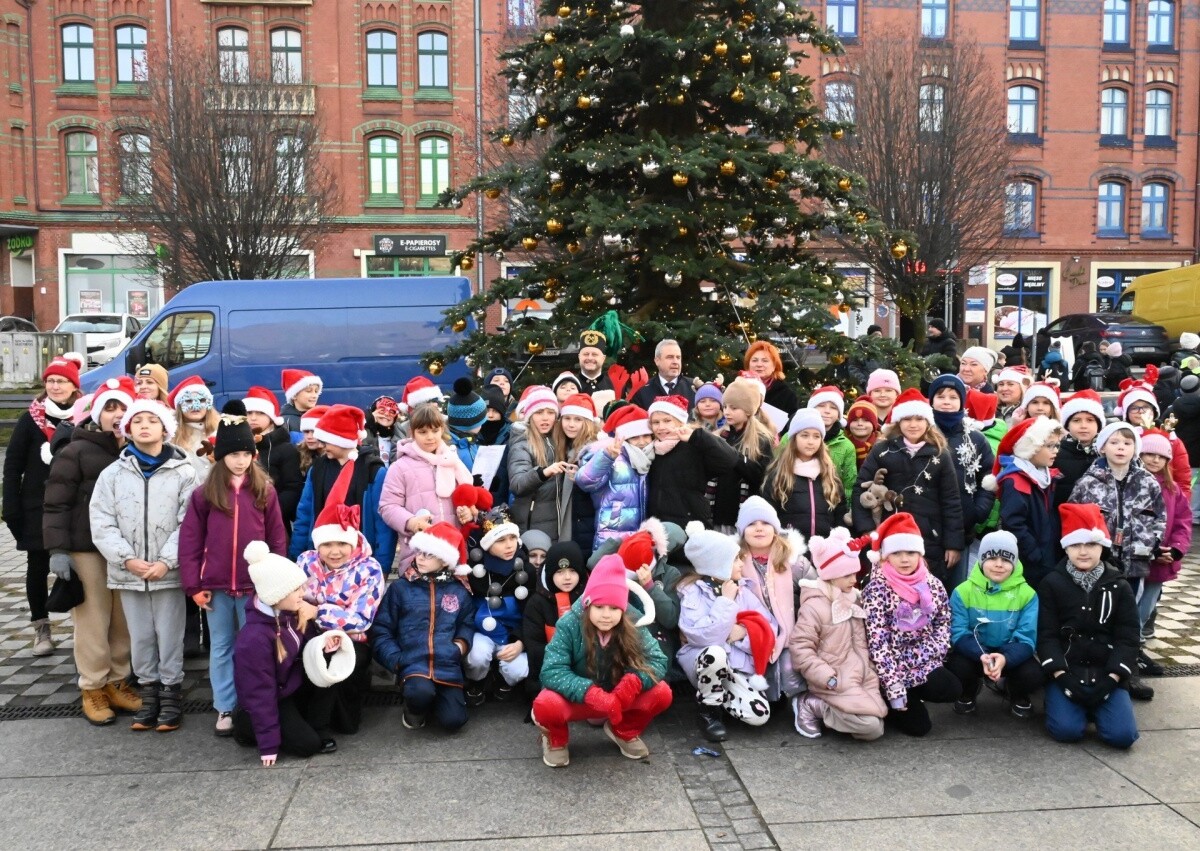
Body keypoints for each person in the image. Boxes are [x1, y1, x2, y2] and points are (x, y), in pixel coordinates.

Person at [90, 396, 199, 732]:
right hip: (130, 571)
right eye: (137, 422)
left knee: (169, 633)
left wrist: (167, 561)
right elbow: (102, 520)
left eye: (151, 420)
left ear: (164, 428)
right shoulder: (112, 474)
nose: (144, 426)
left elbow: (190, 522)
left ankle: (170, 693)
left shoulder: (184, 472)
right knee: (139, 636)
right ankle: (148, 691)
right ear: (128, 429)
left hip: (168, 571)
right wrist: (127, 559)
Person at [178, 407, 287, 736]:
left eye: (246, 454)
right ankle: (225, 706)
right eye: (233, 454)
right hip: (217, 587)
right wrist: (193, 585)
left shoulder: (264, 491)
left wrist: (277, 584)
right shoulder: (204, 494)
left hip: (256, 588)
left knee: (253, 645)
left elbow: (278, 538)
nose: (240, 461)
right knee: (222, 646)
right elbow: (191, 542)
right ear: (220, 455)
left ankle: (254, 702)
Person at [43, 376, 140, 725]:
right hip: (86, 550)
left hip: (126, 550)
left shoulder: (137, 451)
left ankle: (117, 680)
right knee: (93, 620)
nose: (117, 415)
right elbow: (55, 504)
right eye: (110, 408)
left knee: (123, 620)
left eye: (124, 408)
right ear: (97, 413)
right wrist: (57, 549)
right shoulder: (76, 450)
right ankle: (93, 686)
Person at [532, 554, 672, 767]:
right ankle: (555, 738)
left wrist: (633, 682)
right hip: (578, 698)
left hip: (619, 697)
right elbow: (551, 671)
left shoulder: (633, 623)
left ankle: (624, 730)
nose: (606, 615)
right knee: (545, 704)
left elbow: (658, 660)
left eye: (614, 608)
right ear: (588, 605)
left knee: (662, 693)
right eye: (599, 607)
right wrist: (589, 692)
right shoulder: (569, 623)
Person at [1068, 422, 1164, 702]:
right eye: (1114, 442)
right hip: (1100, 564)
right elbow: (1075, 519)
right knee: (1098, 615)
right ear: (1103, 446)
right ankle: (1095, 667)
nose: (1121, 447)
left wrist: (1153, 543)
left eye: (1127, 442)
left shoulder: (1147, 481)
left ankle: (1127, 669)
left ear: (1135, 448)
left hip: (1135, 561)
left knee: (1128, 616)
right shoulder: (1088, 482)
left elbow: (1159, 516)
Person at [1037, 504, 1140, 749]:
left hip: (1106, 671)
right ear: (1066, 547)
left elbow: (1128, 637)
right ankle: (1075, 706)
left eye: (1091, 545)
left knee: (1122, 737)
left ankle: (1100, 707)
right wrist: (1062, 677)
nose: (1083, 552)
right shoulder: (1052, 583)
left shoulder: (1119, 585)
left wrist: (1113, 678)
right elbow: (1047, 635)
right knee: (1067, 731)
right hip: (1067, 671)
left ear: (1101, 546)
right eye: (1075, 545)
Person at [232, 541, 341, 763]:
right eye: (296, 589)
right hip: (273, 696)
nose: (303, 592)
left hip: (293, 686)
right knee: (306, 746)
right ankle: (246, 723)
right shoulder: (253, 640)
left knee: (331, 666)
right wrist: (269, 745)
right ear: (276, 595)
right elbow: (260, 693)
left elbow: (304, 648)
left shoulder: (291, 612)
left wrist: (324, 645)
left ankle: (315, 725)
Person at [297, 462, 385, 734]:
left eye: (341, 544)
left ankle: (335, 721)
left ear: (353, 543)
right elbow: (294, 602)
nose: (334, 551)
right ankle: (311, 724)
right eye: (327, 544)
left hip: (352, 639)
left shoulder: (369, 569)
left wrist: (320, 613)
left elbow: (360, 620)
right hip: (309, 634)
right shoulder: (305, 563)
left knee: (344, 675)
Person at [4, 353, 83, 656]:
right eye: (50, 381)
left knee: (79, 567)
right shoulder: (30, 419)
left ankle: (82, 629)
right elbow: (12, 467)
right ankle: (42, 629)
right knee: (37, 567)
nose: (55, 386)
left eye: (61, 381)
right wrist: (11, 508)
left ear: (73, 386)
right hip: (36, 506)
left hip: (74, 507)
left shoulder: (82, 416)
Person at [677, 523, 779, 742]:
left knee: (759, 715)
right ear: (717, 564)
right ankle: (709, 712)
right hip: (705, 663)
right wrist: (725, 602)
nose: (742, 563)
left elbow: (768, 627)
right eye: (736, 559)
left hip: (737, 669)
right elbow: (702, 635)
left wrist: (742, 633)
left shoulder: (743, 589)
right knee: (715, 652)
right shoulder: (692, 591)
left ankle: (722, 697)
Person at [861, 513, 959, 738]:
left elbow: (943, 621)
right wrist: (893, 685)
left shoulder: (932, 584)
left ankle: (914, 692)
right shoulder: (876, 589)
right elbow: (878, 643)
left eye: (911, 552)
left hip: (922, 660)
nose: (905, 559)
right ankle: (892, 698)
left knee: (952, 687)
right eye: (897, 553)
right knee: (920, 729)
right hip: (891, 667)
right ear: (885, 557)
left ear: (920, 554)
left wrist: (932, 651)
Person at [371, 521, 476, 731]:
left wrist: (460, 646)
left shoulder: (459, 591)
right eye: (419, 551)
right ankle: (414, 709)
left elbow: (466, 624)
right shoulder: (401, 588)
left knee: (454, 721)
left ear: (445, 561)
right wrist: (397, 660)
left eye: (429, 554)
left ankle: (437, 702)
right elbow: (381, 629)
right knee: (420, 693)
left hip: (447, 664)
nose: (420, 557)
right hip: (412, 664)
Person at [852, 389, 964, 583]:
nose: (913, 425)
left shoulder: (940, 454)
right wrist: (868, 530)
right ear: (898, 422)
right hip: (889, 535)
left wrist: (953, 544)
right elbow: (860, 489)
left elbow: (951, 500)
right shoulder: (882, 450)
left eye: (919, 419)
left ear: (928, 422)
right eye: (907, 419)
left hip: (929, 538)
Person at [788, 528, 886, 740]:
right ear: (831, 575)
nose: (854, 579)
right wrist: (826, 676)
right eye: (847, 575)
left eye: (855, 573)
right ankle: (811, 704)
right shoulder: (815, 607)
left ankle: (842, 712)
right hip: (833, 680)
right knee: (871, 728)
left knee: (878, 722)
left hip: (860, 676)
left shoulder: (854, 599)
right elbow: (801, 647)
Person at [945, 530, 1043, 719]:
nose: (999, 564)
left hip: (1008, 653)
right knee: (957, 667)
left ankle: (1015, 692)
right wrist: (981, 655)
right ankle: (970, 689)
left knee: (1033, 674)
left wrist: (1005, 658)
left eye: (1006, 560)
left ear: (1014, 563)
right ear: (981, 560)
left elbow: (1026, 637)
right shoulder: (962, 591)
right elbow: (958, 632)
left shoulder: (1028, 594)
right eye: (992, 558)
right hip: (977, 652)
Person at [293, 405, 396, 571]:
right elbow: (304, 514)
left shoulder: (374, 471)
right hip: (322, 560)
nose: (322, 445)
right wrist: (296, 555)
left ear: (340, 439)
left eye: (326, 441)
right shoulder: (318, 469)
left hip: (362, 562)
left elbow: (382, 525)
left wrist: (382, 567)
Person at [735, 497, 813, 706]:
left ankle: (801, 702)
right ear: (742, 531)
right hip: (755, 634)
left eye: (765, 523)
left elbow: (814, 595)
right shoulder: (735, 562)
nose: (759, 528)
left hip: (791, 632)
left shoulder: (794, 562)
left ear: (775, 529)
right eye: (751, 524)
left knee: (790, 667)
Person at [378, 403, 472, 564]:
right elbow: (388, 506)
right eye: (423, 432)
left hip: (454, 551)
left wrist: (468, 512)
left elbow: (469, 496)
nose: (430, 437)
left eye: (435, 430)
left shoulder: (453, 461)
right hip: (418, 554)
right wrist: (411, 522)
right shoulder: (400, 467)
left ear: (442, 430)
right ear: (412, 433)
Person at [927, 375, 995, 588]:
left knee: (956, 591)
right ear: (931, 401)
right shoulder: (921, 434)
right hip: (925, 528)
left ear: (962, 402)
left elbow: (988, 477)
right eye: (940, 396)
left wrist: (978, 511)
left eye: (953, 397)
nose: (946, 401)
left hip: (962, 528)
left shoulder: (975, 439)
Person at [984, 416, 1064, 588]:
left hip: (1046, 556)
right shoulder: (1016, 481)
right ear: (1030, 448)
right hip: (1031, 562)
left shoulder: (1046, 476)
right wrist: (1035, 553)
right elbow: (1013, 523)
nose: (1055, 450)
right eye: (1049, 445)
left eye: (1057, 445)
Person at [464, 507, 533, 704]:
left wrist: (521, 642)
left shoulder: (525, 569)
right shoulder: (475, 568)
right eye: (501, 540)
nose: (509, 545)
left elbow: (532, 613)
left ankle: (503, 679)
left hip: (513, 633)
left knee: (518, 668)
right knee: (476, 656)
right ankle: (477, 680)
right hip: (481, 630)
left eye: (512, 538)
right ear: (487, 544)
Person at [1137, 430, 1191, 664]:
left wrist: (1176, 549)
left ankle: (1136, 648)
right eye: (1148, 454)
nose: (1154, 460)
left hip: (1162, 561)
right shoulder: (1134, 484)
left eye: (1161, 456)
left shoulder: (1173, 489)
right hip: (1137, 559)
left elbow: (1182, 521)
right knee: (1130, 607)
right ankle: (1129, 649)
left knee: (1146, 609)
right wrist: (1152, 550)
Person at [646, 395, 739, 527]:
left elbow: (730, 459)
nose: (661, 427)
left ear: (680, 422)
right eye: (656, 422)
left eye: (667, 421)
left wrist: (698, 436)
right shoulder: (650, 451)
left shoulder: (694, 446)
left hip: (692, 525)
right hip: (658, 526)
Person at [575, 405, 652, 549]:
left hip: (642, 537)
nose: (642, 442)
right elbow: (585, 481)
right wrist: (606, 457)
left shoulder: (652, 456)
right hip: (611, 534)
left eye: (646, 436)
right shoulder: (609, 453)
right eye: (635, 437)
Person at [764, 409, 846, 538]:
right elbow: (768, 514)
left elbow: (840, 512)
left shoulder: (829, 474)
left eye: (816, 436)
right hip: (790, 549)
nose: (811, 441)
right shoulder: (779, 474)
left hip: (825, 549)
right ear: (794, 438)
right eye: (805, 435)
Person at [522, 541, 587, 698]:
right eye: (559, 572)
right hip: (551, 663)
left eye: (572, 571)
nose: (567, 577)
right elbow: (534, 644)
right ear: (550, 574)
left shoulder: (589, 598)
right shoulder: (537, 602)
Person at [712, 377, 776, 532]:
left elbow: (763, 476)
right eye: (725, 406)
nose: (727, 412)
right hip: (717, 511)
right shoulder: (720, 435)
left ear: (748, 410)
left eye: (734, 408)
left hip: (743, 515)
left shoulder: (761, 438)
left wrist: (735, 458)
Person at [507, 386, 569, 542]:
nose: (545, 418)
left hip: (558, 524)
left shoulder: (559, 439)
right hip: (532, 525)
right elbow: (518, 484)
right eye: (539, 412)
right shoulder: (522, 442)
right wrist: (543, 473)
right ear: (530, 415)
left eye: (550, 412)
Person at [1118, 375, 1192, 500]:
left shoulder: (1171, 439)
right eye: (1134, 408)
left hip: (1166, 502)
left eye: (1145, 407)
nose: (1141, 411)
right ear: (1126, 412)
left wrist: (1180, 505)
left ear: (1154, 410)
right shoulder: (1119, 437)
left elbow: (1183, 479)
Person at [242, 386, 304, 529]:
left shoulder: (285, 449)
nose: (253, 418)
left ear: (271, 418)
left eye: (260, 413)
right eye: (249, 412)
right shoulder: (235, 446)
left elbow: (293, 488)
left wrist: (271, 512)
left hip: (274, 521)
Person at [556, 394, 600, 556]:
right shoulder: (565, 449)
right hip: (577, 525)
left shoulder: (593, 450)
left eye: (578, 419)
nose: (571, 425)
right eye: (567, 418)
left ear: (588, 423)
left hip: (586, 527)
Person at [1053, 390, 1105, 508]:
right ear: (1067, 425)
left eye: (1090, 420)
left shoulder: (1107, 453)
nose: (1083, 426)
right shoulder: (1055, 453)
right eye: (1076, 420)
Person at [807, 385, 857, 498]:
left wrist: (846, 511)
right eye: (821, 406)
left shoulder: (846, 446)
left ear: (839, 414)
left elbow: (849, 485)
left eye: (833, 408)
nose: (827, 411)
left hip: (832, 504)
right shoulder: (791, 437)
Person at [167, 375, 218, 480]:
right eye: (189, 401)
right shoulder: (170, 434)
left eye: (201, 400)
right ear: (179, 406)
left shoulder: (222, 429)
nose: (195, 405)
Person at [1165, 373, 1200, 524]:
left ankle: (1188, 513)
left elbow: (1164, 429)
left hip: (1180, 456)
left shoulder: (1173, 409)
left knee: (1185, 485)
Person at [630, 339, 696, 410]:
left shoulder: (694, 388)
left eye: (678, 357)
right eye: (670, 357)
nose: (675, 362)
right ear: (657, 361)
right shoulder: (643, 391)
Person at [744, 340, 798, 422]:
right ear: (748, 365)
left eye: (765, 361)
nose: (759, 364)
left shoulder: (787, 395)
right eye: (754, 360)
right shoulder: (738, 388)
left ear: (774, 366)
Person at [446, 378, 488, 472]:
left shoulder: (470, 441)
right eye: (481, 422)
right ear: (470, 423)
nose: (482, 425)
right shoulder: (451, 449)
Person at [279, 369, 323, 437]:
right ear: (294, 395)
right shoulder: (284, 422)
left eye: (316, 391)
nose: (314, 396)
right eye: (308, 391)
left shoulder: (322, 418)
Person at [361, 396, 404, 466]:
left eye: (392, 412)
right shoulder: (363, 434)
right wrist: (367, 417)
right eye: (382, 410)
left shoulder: (400, 436)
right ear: (373, 412)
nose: (386, 414)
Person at [576, 327, 616, 395]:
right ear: (579, 357)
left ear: (603, 358)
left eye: (594, 354)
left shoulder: (614, 385)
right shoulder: (570, 385)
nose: (590, 358)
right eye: (586, 354)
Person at [296, 405, 330, 478]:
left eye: (314, 432)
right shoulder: (298, 453)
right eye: (306, 432)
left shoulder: (338, 456)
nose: (309, 437)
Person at [845, 399, 880, 466]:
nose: (860, 424)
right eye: (855, 420)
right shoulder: (841, 445)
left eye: (866, 420)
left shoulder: (883, 445)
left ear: (874, 424)